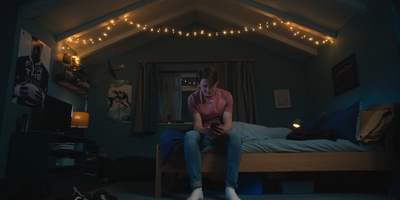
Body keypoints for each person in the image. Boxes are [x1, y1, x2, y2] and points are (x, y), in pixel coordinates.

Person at [184, 66, 242, 200]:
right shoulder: (193, 98)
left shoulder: (226, 96)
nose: (208, 90)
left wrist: (224, 129)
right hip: (203, 134)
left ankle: (230, 189)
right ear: (199, 84)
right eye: (204, 86)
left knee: (235, 137)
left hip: (220, 134)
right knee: (189, 135)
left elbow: (229, 124)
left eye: (211, 86)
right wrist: (206, 130)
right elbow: (197, 125)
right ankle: (197, 189)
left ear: (217, 83)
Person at [13, 36, 49, 108]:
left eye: (40, 46)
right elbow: (9, 83)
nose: (36, 49)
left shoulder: (45, 73)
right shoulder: (20, 61)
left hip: (36, 111)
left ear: (42, 48)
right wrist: (16, 90)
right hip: (19, 105)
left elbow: (48, 97)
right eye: (35, 44)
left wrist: (43, 98)